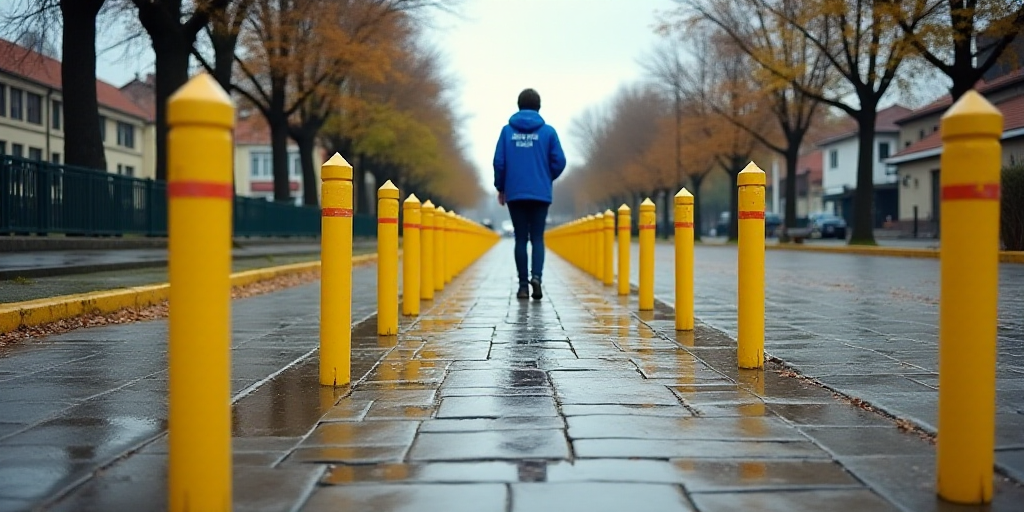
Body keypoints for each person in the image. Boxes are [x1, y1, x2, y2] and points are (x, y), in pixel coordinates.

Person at [493, 88, 566, 300]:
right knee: (537, 238)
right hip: (540, 193)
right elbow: (560, 161)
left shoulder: (507, 131)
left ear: (518, 105)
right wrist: (546, 176)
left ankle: (523, 285)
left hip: (515, 193)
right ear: (539, 107)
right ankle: (537, 277)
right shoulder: (548, 132)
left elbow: (499, 162)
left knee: (520, 239)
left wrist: (501, 187)